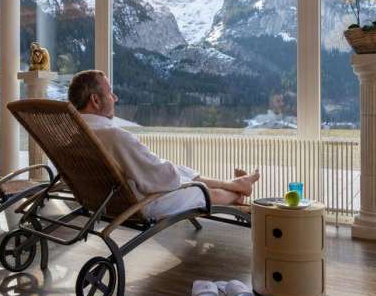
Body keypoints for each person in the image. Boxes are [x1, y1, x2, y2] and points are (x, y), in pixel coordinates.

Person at [67, 69, 260, 219]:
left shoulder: (74, 134)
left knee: (177, 169)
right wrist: (170, 169)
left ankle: (234, 184)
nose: (115, 98)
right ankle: (238, 194)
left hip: (103, 201)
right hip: (143, 204)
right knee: (198, 190)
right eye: (110, 92)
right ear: (95, 100)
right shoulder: (114, 137)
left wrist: (169, 168)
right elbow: (164, 179)